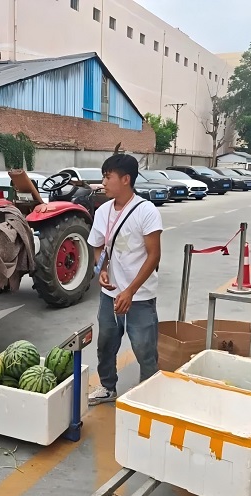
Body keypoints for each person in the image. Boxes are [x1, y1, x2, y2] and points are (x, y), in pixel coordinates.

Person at [87, 154, 163, 406]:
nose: (103, 182)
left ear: (126, 179)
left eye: (107, 177)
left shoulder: (146, 211)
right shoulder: (103, 211)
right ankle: (107, 387)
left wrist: (130, 291)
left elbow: (154, 255)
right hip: (110, 295)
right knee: (106, 344)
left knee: (144, 348)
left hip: (139, 296)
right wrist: (102, 268)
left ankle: (148, 396)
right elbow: (98, 245)